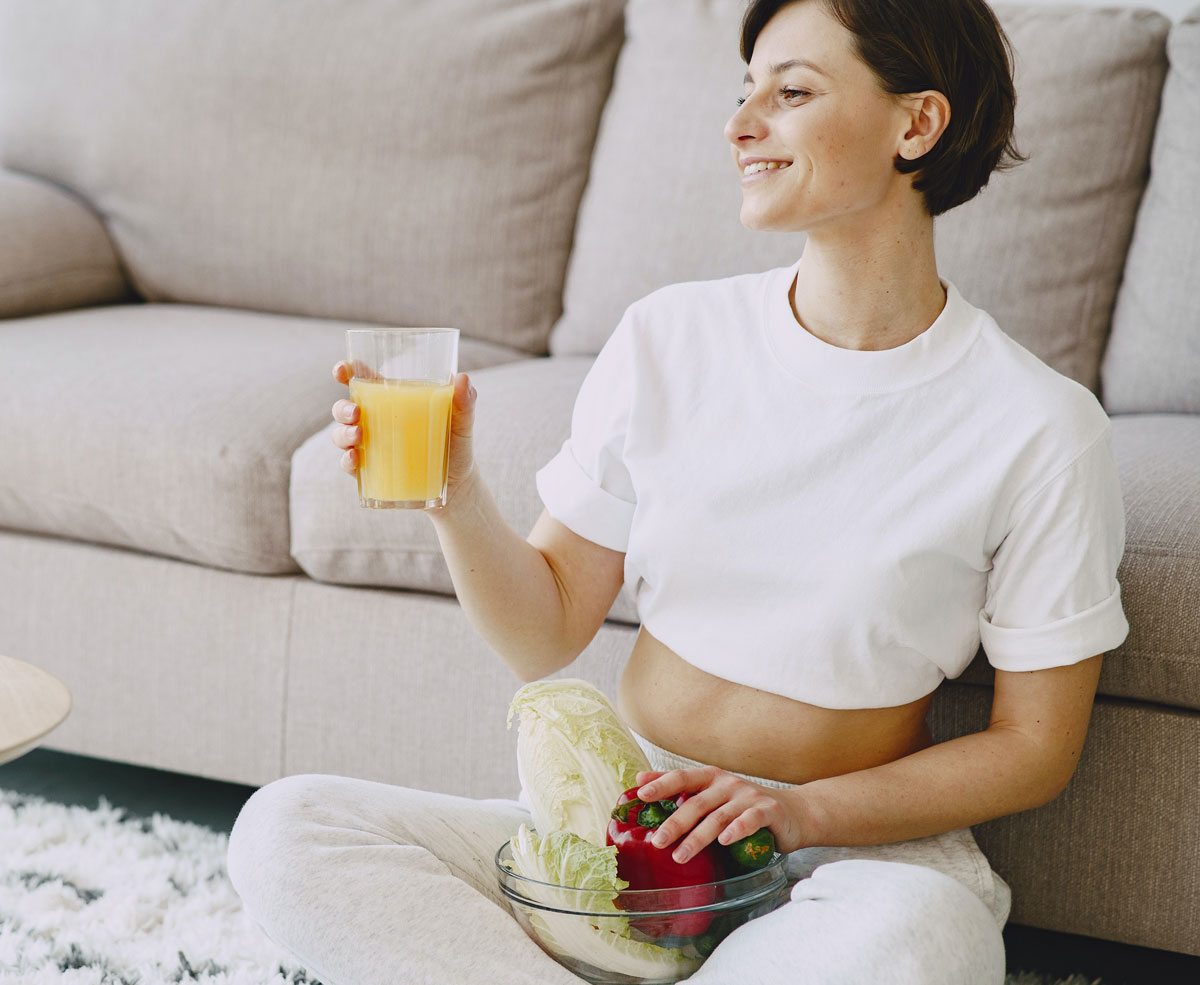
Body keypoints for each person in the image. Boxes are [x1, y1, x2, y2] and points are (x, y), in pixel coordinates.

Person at [226, 1, 1130, 982]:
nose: (742, 124)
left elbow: (1036, 746)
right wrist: (453, 490)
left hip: (848, 859)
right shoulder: (670, 338)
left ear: (916, 124)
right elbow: (543, 634)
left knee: (918, 942)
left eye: (790, 92)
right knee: (288, 828)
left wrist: (804, 811)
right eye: (743, 93)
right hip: (623, 835)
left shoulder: (1037, 424)